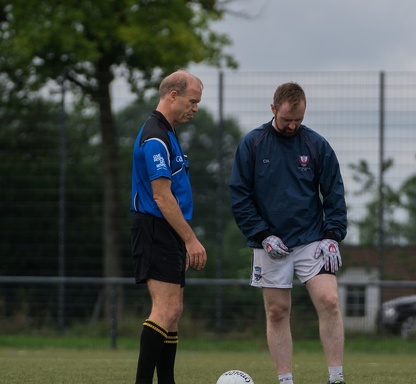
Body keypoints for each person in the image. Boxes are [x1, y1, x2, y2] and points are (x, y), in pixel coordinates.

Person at [229, 82, 347, 384]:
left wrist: (332, 236)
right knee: (277, 311)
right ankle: (285, 380)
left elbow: (333, 192)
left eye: (299, 120)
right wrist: (263, 235)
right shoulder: (252, 144)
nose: (293, 125)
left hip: (312, 239)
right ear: (273, 109)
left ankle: (337, 379)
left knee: (329, 300)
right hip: (271, 243)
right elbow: (240, 195)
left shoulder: (317, 145)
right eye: (286, 120)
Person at [130, 70, 207, 384]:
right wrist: (190, 240)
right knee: (166, 308)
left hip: (167, 231)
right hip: (155, 227)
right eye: (192, 101)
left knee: (174, 312)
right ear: (172, 95)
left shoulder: (168, 132)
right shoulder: (155, 137)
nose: (196, 108)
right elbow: (162, 196)